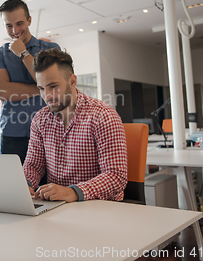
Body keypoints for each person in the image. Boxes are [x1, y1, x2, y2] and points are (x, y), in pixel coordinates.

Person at [24, 48, 127, 202]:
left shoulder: (103, 115)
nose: (47, 96)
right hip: (57, 206)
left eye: (53, 86)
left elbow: (116, 176)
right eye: (41, 89)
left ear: (72, 81)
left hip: (100, 208)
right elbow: (33, 165)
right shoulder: (40, 119)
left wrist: (73, 192)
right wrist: (26, 184)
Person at [0, 0, 60, 164]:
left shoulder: (51, 49)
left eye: (19, 23)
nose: (14, 30)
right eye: (8, 25)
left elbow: (56, 85)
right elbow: (3, 92)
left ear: (29, 20)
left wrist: (23, 54)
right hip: (13, 135)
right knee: (12, 188)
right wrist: (43, 88)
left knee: (48, 188)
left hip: (49, 133)